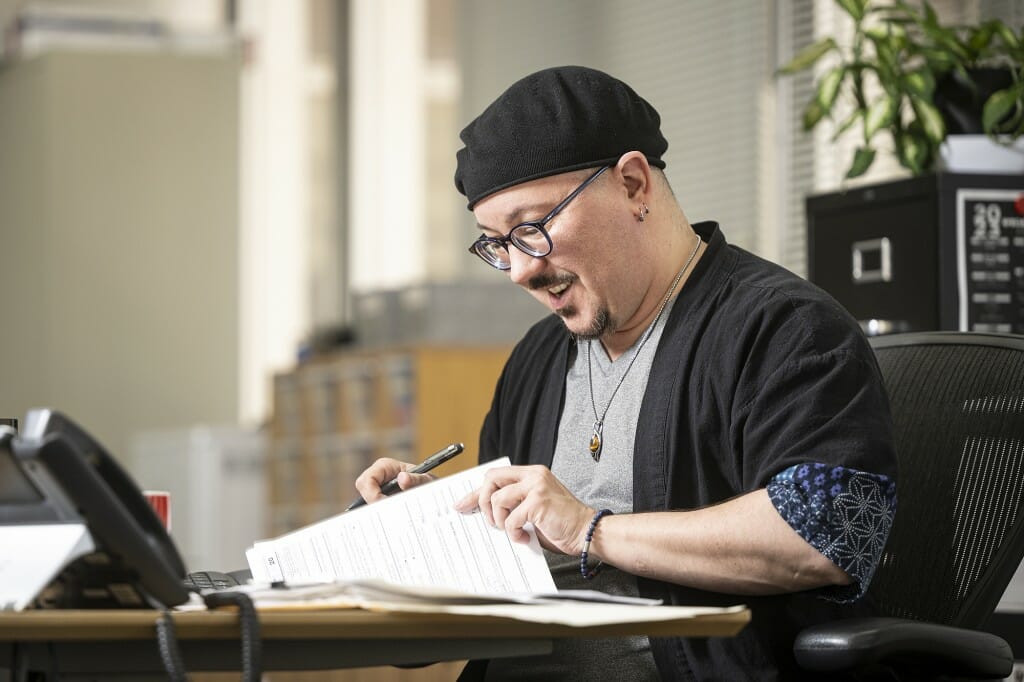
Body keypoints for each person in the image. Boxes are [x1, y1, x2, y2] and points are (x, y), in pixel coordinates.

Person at [354, 66, 898, 681]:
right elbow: (507, 573)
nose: (519, 272)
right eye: (497, 244)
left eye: (532, 229)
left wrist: (591, 530)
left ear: (634, 184)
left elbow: (824, 534)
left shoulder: (784, 330)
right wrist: (427, 531)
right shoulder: (537, 360)